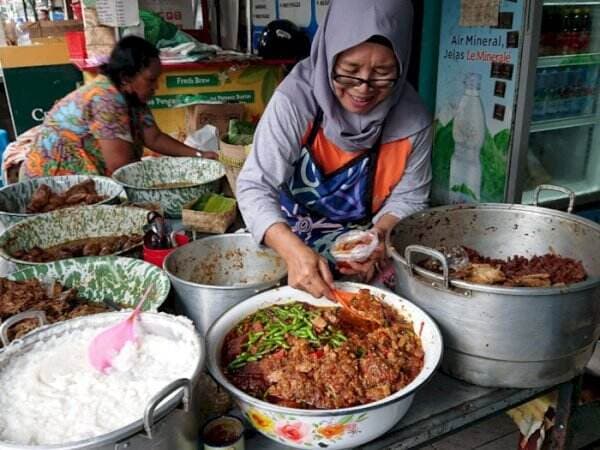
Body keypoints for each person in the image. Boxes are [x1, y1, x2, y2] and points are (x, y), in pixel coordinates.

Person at [236, 0, 433, 299]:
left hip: (361, 242)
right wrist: (292, 250)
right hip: (286, 234)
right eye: (349, 70)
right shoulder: (295, 101)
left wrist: (376, 240)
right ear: (329, 57)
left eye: (383, 73)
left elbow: (411, 198)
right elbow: (254, 185)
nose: (363, 87)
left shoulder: (412, 121)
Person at [21, 36, 217, 180]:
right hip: (51, 179)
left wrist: (199, 155)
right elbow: (121, 167)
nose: (156, 86)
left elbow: (153, 137)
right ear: (126, 77)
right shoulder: (106, 99)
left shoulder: (132, 96)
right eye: (150, 80)